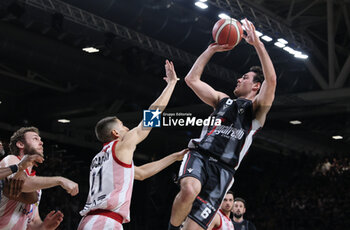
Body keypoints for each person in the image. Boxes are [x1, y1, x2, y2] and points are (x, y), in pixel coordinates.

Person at [168, 18, 277, 230]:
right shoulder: (222, 100)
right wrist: (211, 50)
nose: (238, 79)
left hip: (224, 172)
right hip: (200, 155)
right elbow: (192, 79)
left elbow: (271, 81)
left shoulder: (257, 112)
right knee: (189, 190)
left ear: (256, 86)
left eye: (244, 77)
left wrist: (258, 45)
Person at [78, 60, 179, 229]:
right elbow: (150, 117)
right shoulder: (121, 145)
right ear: (115, 133)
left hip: (88, 221)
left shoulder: (99, 157)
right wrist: (171, 84)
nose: (127, 128)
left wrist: (175, 157)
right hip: (105, 222)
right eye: (123, 125)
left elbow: (141, 173)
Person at [0, 127, 79, 230]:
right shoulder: (11, 160)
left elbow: (32, 223)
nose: (41, 142)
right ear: (20, 144)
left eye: (41, 140)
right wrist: (60, 180)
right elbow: (24, 184)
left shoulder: (37, 186)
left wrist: (44, 226)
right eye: (35, 139)